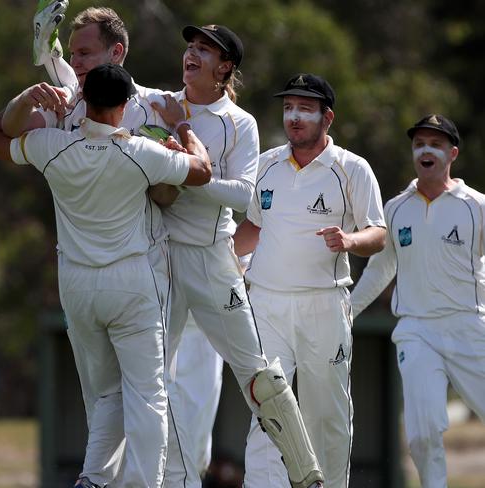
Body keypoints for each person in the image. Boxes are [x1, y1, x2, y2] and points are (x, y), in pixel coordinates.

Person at [0, 7, 224, 483]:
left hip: (86, 280)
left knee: (112, 395)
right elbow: (203, 172)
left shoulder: (61, 137)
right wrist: (183, 133)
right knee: (142, 393)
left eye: (83, 54)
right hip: (131, 278)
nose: (77, 63)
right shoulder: (132, 144)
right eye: (71, 56)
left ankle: (95, 480)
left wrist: (24, 99)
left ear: (117, 51)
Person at [151, 29, 324, 488]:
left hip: (212, 261)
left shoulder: (237, 122)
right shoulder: (157, 103)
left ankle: (308, 477)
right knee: (146, 378)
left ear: (224, 67)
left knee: (259, 377)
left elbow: (245, 195)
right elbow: (95, 85)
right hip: (159, 259)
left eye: (204, 50)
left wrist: (184, 166)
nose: (191, 53)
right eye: (190, 46)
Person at [234, 73, 386, 488]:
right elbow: (253, 226)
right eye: (288, 108)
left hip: (324, 305)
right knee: (268, 408)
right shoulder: (265, 165)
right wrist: (221, 258)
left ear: (327, 117)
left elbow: (378, 233)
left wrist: (349, 240)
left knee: (325, 415)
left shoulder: (351, 169)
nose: (294, 117)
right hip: (266, 303)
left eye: (305, 109)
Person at [351, 114, 485, 488]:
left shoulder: (476, 206)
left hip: (468, 325)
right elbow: (380, 270)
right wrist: (344, 315)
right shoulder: (395, 209)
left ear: (452, 153)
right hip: (416, 331)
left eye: (436, 144)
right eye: (419, 143)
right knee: (423, 433)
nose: (425, 150)